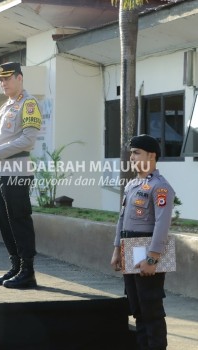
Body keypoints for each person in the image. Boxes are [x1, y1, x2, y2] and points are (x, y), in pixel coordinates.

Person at [0, 62, 42, 289]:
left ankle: (28, 271)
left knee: (19, 219)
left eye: (7, 78)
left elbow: (28, 140)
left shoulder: (29, 103)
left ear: (20, 78)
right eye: (0, 80)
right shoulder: (5, 107)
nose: (3, 83)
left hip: (16, 170)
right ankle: (15, 265)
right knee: (4, 221)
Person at [110, 134, 175, 350]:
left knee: (151, 308)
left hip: (146, 248)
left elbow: (162, 224)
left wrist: (153, 257)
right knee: (136, 307)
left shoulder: (160, 186)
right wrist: (117, 249)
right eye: (131, 153)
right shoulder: (131, 186)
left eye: (137, 152)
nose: (132, 157)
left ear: (152, 155)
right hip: (131, 247)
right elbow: (122, 219)